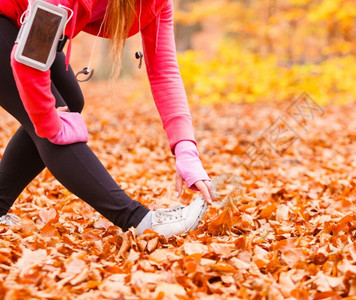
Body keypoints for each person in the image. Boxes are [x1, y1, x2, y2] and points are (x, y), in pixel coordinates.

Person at [0, 0, 214, 237]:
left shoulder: (158, 4)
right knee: (53, 116)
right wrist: (48, 122)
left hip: (23, 28)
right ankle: (139, 221)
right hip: (12, 28)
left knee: (70, 104)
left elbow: (165, 72)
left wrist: (186, 150)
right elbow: (28, 59)